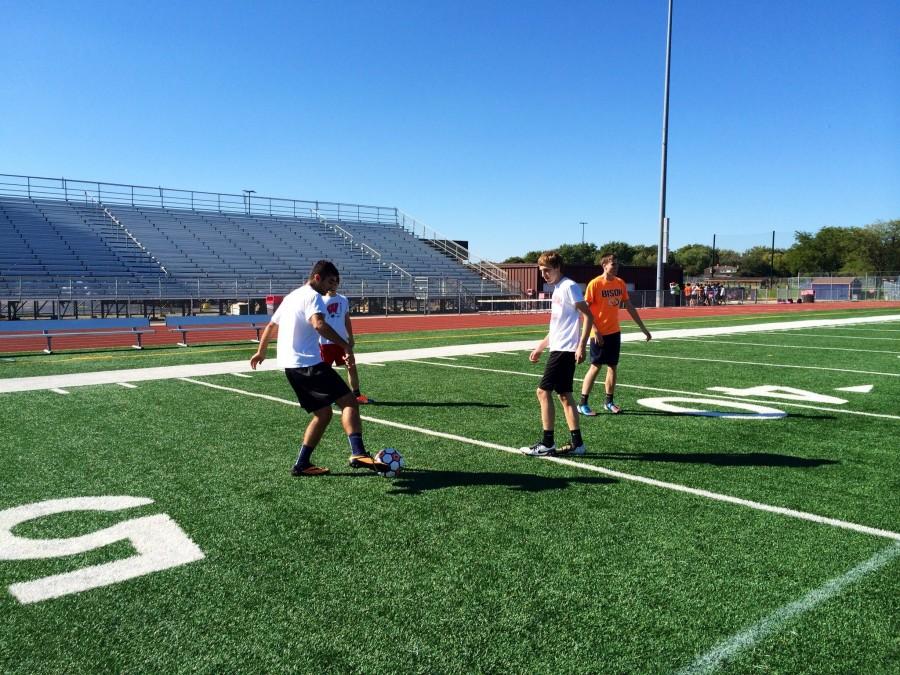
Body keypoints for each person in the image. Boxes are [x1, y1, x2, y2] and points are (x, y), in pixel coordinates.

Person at [250, 260, 384, 476]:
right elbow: (318, 324)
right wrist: (345, 344)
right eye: (329, 282)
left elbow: (271, 325)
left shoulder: (292, 296)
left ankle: (301, 464)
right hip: (308, 364)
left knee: (323, 414)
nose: (331, 287)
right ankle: (358, 452)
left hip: (291, 367)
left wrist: (261, 351)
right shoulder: (313, 296)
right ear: (317, 277)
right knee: (349, 401)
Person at [520, 251, 594, 456]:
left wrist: (581, 345)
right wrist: (540, 347)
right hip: (559, 347)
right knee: (564, 396)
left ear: (558, 267)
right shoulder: (557, 289)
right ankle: (578, 444)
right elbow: (557, 328)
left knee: (543, 392)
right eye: (541, 271)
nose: (544, 275)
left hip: (565, 350)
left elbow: (588, 315)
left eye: (547, 271)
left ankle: (547, 443)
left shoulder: (569, 286)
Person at [577, 253, 652, 416]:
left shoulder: (620, 283)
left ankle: (609, 402)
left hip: (614, 332)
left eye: (617, 265)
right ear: (604, 266)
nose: (616, 267)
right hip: (598, 333)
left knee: (612, 367)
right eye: (613, 265)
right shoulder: (595, 284)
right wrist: (595, 330)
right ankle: (582, 403)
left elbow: (629, 306)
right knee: (595, 367)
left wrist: (643, 328)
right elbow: (585, 310)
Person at [319, 288, 374, 404]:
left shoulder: (343, 299)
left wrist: (350, 337)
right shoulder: (320, 300)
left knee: (351, 367)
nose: (333, 285)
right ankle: (325, 397)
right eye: (330, 282)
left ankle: (357, 395)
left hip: (342, 342)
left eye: (335, 282)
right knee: (324, 372)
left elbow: (346, 320)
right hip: (325, 342)